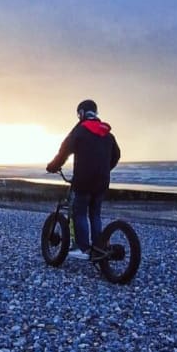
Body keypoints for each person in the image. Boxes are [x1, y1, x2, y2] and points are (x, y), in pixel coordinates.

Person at [46, 99, 120, 260]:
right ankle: (98, 248)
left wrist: (52, 167)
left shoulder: (79, 131)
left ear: (81, 113)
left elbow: (63, 152)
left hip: (83, 181)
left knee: (79, 213)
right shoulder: (107, 134)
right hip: (102, 181)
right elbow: (116, 156)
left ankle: (84, 248)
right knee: (95, 214)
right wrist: (105, 169)